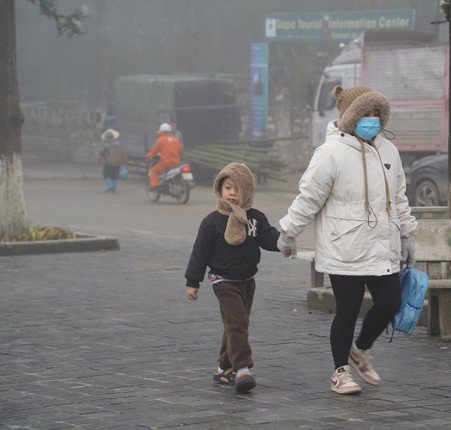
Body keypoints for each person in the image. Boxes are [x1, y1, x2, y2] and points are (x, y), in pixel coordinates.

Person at [277, 86, 417, 395]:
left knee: (391, 302)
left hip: (382, 245)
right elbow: (309, 197)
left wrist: (407, 234)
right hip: (344, 246)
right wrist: (289, 231)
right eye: (364, 113)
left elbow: (399, 197)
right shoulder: (330, 153)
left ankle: (361, 348)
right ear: (349, 115)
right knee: (347, 310)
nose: (372, 120)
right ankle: (340, 372)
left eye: (376, 113)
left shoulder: (388, 151)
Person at [184, 162, 288, 393]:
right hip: (223, 279)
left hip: (247, 279)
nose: (232, 193)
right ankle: (242, 369)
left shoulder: (255, 218)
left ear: (247, 191)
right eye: (227, 187)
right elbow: (199, 252)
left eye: (237, 188)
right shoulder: (212, 221)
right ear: (219, 189)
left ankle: (223, 369)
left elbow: (268, 237)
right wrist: (193, 282)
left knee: (235, 324)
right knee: (238, 322)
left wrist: (282, 244)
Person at [145, 123, 182, 189]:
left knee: (153, 170)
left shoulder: (160, 140)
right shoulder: (175, 140)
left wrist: (149, 155)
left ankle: (155, 186)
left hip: (165, 163)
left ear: (162, 132)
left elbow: (154, 151)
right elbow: (180, 150)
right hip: (176, 163)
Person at [97, 129, 127, 193]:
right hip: (117, 162)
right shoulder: (118, 143)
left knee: (107, 174)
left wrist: (99, 159)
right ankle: (114, 187)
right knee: (115, 175)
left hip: (108, 163)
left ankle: (110, 186)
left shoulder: (105, 145)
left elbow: (101, 153)